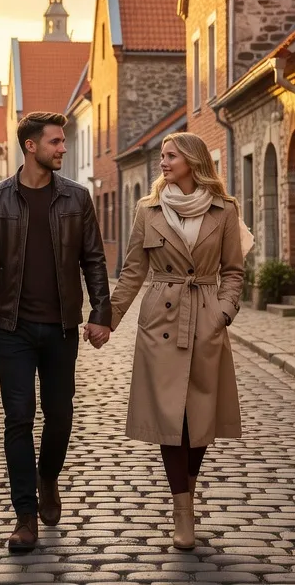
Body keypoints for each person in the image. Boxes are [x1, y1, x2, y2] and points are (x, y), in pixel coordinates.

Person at [0, 111, 113, 553]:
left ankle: (48, 477)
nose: (62, 148)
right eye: (55, 142)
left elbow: (93, 259)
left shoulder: (77, 198)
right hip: (11, 327)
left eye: (64, 141)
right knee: (18, 418)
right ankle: (24, 516)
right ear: (31, 146)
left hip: (63, 325)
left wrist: (100, 312)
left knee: (60, 414)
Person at [106, 132, 252, 550]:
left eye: (171, 156)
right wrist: (109, 319)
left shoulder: (225, 210)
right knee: (173, 419)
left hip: (206, 317)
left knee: (200, 417)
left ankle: (186, 491)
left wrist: (223, 312)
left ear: (192, 160)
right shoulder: (147, 210)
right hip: (161, 321)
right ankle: (182, 508)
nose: (163, 163)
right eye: (163, 156)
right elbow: (133, 270)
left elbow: (234, 271)